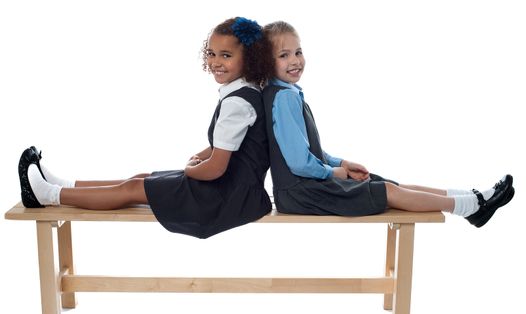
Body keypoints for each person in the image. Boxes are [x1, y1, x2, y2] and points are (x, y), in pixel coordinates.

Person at [18, 17, 274, 239]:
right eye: (211, 53)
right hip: (233, 189)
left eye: (226, 55)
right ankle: (66, 185)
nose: (215, 61)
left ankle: (47, 195)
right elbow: (230, 146)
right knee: (141, 178)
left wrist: (189, 170)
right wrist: (202, 155)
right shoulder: (244, 92)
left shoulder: (238, 102)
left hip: (227, 198)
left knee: (132, 189)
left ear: (249, 59)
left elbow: (216, 168)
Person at [262, 21, 514, 228]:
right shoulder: (284, 98)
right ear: (266, 63)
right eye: (284, 55)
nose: (295, 60)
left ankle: (472, 198)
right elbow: (298, 162)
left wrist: (341, 163)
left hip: (305, 189)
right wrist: (334, 173)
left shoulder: (288, 93)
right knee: (388, 192)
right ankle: (474, 206)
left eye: (298, 52)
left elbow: (308, 151)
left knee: (391, 186)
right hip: (301, 193)